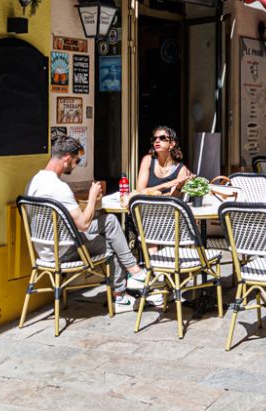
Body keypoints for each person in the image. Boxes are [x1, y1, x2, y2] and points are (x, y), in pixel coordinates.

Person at [25, 136, 157, 311]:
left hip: (42, 249)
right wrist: (93, 197)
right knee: (112, 244)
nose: (77, 164)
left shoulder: (34, 181)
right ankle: (121, 295)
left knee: (109, 221)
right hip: (63, 250)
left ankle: (134, 272)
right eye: (77, 160)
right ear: (66, 158)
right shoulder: (59, 188)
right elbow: (84, 224)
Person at [136, 126, 191, 195]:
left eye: (162, 138)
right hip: (146, 204)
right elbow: (139, 191)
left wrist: (180, 186)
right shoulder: (148, 160)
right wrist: (165, 185)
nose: (157, 141)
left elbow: (174, 198)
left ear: (171, 144)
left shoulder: (181, 169)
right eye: (154, 139)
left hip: (167, 205)